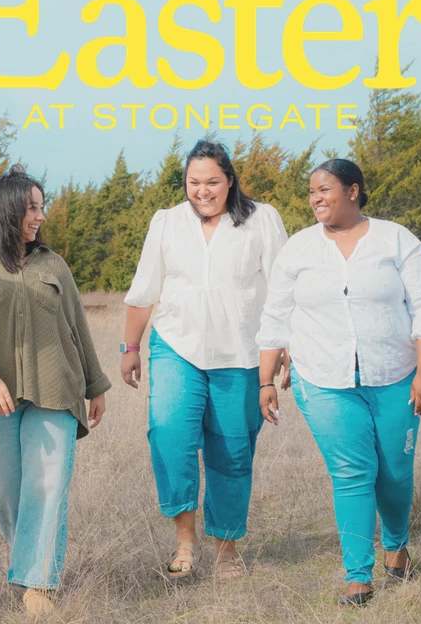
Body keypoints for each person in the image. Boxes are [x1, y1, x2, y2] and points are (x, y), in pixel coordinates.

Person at [257, 158, 421, 607]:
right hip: (322, 378)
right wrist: (265, 380)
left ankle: (396, 548)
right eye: (311, 192)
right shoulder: (300, 249)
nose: (316, 199)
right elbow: (275, 316)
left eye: (325, 189)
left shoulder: (396, 240)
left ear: (353, 191)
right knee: (352, 473)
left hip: (395, 375)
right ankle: (357, 577)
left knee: (395, 473)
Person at [0, 166, 110, 617]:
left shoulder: (53, 264)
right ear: (8, 209)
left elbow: (77, 326)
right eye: (32, 207)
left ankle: (39, 585)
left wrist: (96, 385)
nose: (40, 215)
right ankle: (29, 562)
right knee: (2, 486)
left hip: (57, 389)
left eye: (41, 206)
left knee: (47, 484)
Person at [121, 140, 287, 579]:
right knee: (170, 436)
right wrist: (131, 348)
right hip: (177, 347)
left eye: (212, 181)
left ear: (229, 181)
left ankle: (227, 550)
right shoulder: (167, 222)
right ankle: (183, 541)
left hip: (242, 355)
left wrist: (283, 348)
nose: (202, 191)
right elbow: (144, 290)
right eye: (194, 183)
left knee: (232, 451)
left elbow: (283, 288)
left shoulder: (261, 220)